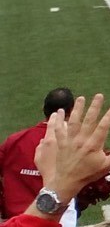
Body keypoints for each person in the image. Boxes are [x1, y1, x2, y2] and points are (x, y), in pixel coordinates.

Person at [1, 88, 75, 219]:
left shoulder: (15, 140)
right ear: (71, 112)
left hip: (14, 224)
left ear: (43, 108)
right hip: (52, 224)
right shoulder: (73, 145)